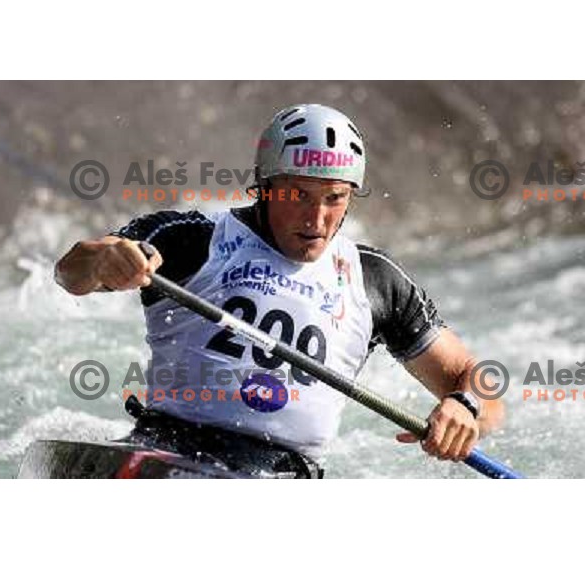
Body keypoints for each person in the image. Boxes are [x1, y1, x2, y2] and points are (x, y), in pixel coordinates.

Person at [55, 103, 504, 478]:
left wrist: (465, 408)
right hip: (167, 447)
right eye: (298, 196)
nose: (316, 219)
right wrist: (105, 261)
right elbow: (72, 273)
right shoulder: (192, 239)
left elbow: (478, 380)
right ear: (265, 188)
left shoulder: (375, 279)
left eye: (334, 199)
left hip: (283, 474)